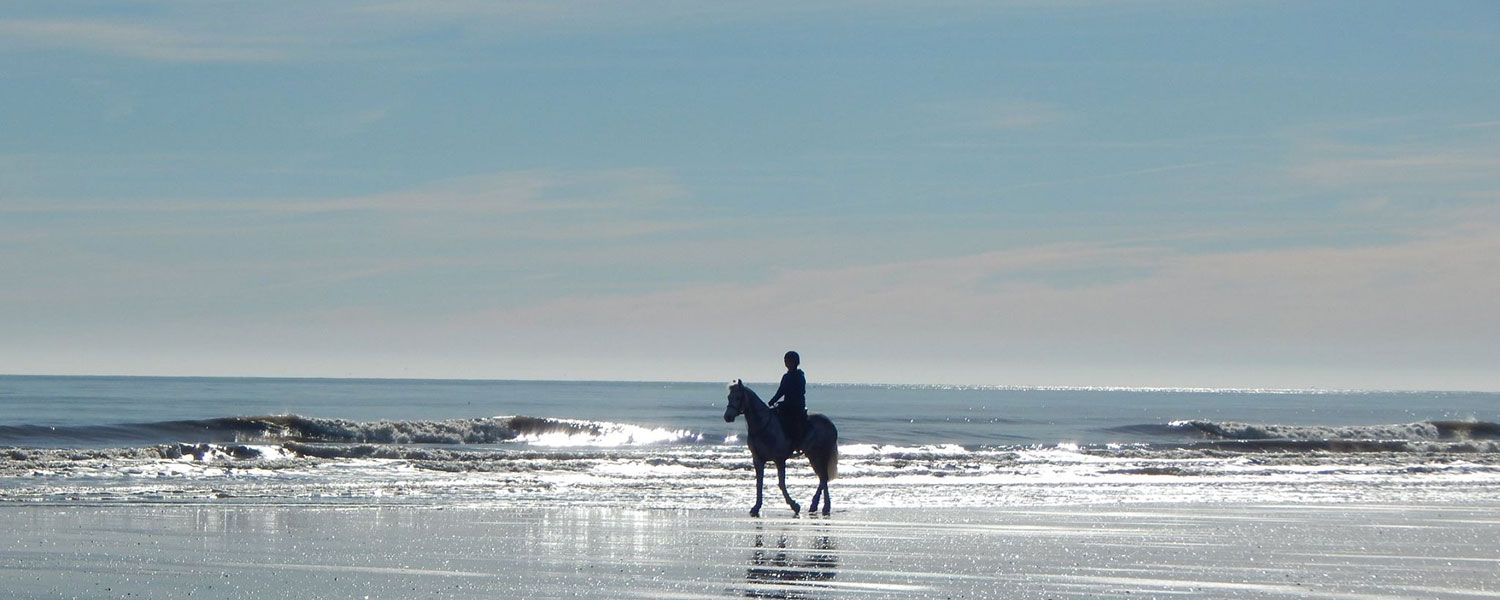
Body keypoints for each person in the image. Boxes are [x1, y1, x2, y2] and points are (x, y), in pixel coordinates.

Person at [767, 350, 808, 453]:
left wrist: (788, 401)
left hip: (797, 404)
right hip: (787, 404)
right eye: (785, 360)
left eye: (789, 360)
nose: (787, 363)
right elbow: (781, 391)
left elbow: (801, 391)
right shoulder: (786, 376)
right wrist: (772, 401)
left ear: (795, 362)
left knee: (791, 420)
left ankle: (796, 442)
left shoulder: (799, 376)